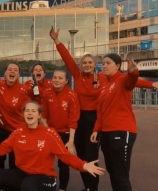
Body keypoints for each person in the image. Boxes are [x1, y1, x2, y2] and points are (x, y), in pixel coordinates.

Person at [49, 26, 158, 191]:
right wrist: (56, 40)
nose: (86, 65)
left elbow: (127, 80)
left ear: (95, 65)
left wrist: (152, 84)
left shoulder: (103, 78)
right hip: (81, 120)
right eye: (84, 62)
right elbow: (67, 58)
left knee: (93, 156)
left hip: (97, 119)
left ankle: (93, 187)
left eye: (90, 62)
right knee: (82, 157)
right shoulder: (78, 75)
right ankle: (88, 187)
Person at [0, 101, 105, 191]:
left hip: (45, 178)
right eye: (26, 111)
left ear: (39, 115)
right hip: (23, 174)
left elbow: (65, 156)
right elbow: (1, 148)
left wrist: (84, 166)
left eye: (33, 111)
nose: (29, 113)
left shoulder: (49, 133)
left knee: (28, 186)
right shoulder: (18, 133)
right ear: (23, 114)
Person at [91, 55, 138, 191]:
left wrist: (133, 71)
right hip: (106, 132)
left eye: (108, 63)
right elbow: (100, 111)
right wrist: (96, 129)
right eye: (103, 63)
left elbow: (132, 79)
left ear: (117, 66)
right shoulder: (105, 86)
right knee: (113, 172)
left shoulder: (123, 79)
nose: (104, 66)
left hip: (122, 131)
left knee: (120, 174)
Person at [0, 62, 31, 169]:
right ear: (5, 73)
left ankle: (14, 185)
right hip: (3, 128)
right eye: (10, 69)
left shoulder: (24, 91)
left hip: (18, 130)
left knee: (14, 162)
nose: (12, 71)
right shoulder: (0, 85)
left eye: (15, 70)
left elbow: (33, 109)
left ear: (18, 75)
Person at [41, 69, 80, 191]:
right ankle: (44, 187)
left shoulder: (71, 95)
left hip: (65, 134)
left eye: (60, 78)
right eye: (55, 77)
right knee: (44, 162)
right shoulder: (47, 93)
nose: (56, 80)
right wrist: (48, 133)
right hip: (50, 133)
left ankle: (63, 189)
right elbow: (43, 116)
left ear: (66, 80)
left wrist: (71, 141)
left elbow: (73, 120)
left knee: (63, 165)